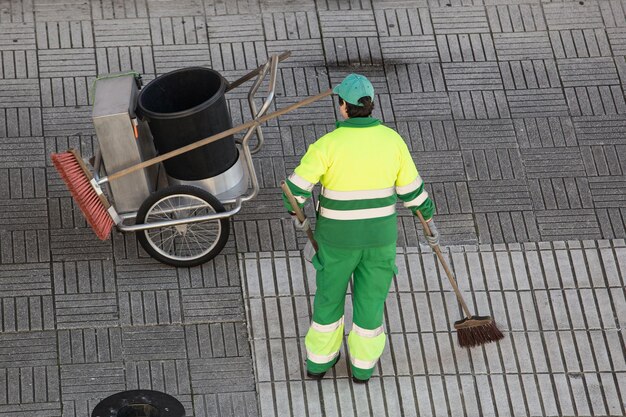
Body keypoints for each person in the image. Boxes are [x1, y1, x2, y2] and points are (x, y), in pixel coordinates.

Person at [282, 74, 439, 383]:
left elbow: (293, 192)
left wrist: (298, 218)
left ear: (343, 107)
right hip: (380, 241)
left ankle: (318, 364)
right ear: (371, 106)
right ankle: (363, 367)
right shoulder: (392, 141)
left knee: (329, 300)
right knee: (370, 303)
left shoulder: (327, 145)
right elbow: (413, 194)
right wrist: (430, 226)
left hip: (336, 241)